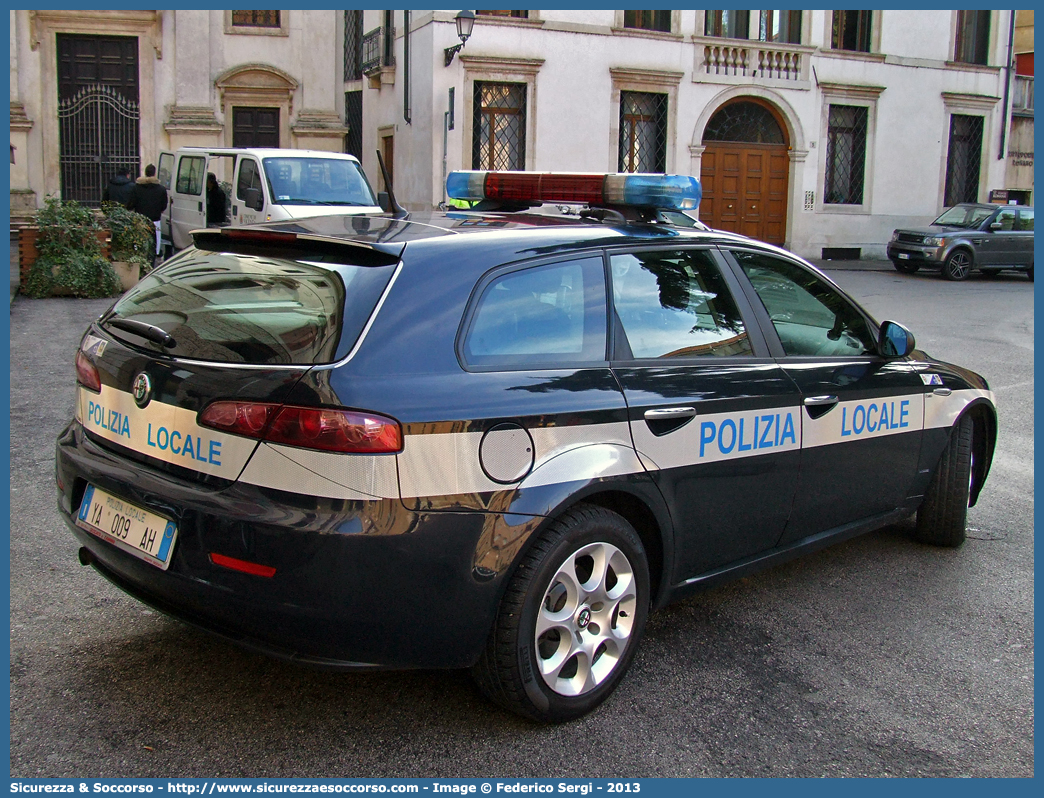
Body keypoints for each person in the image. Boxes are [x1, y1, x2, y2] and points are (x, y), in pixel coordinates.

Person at [127, 163, 168, 259]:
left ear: (145, 173)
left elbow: (131, 203)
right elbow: (164, 205)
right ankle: (154, 257)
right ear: (154, 174)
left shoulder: (136, 188)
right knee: (155, 243)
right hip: (155, 220)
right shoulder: (161, 189)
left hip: (140, 219)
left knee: (139, 240)